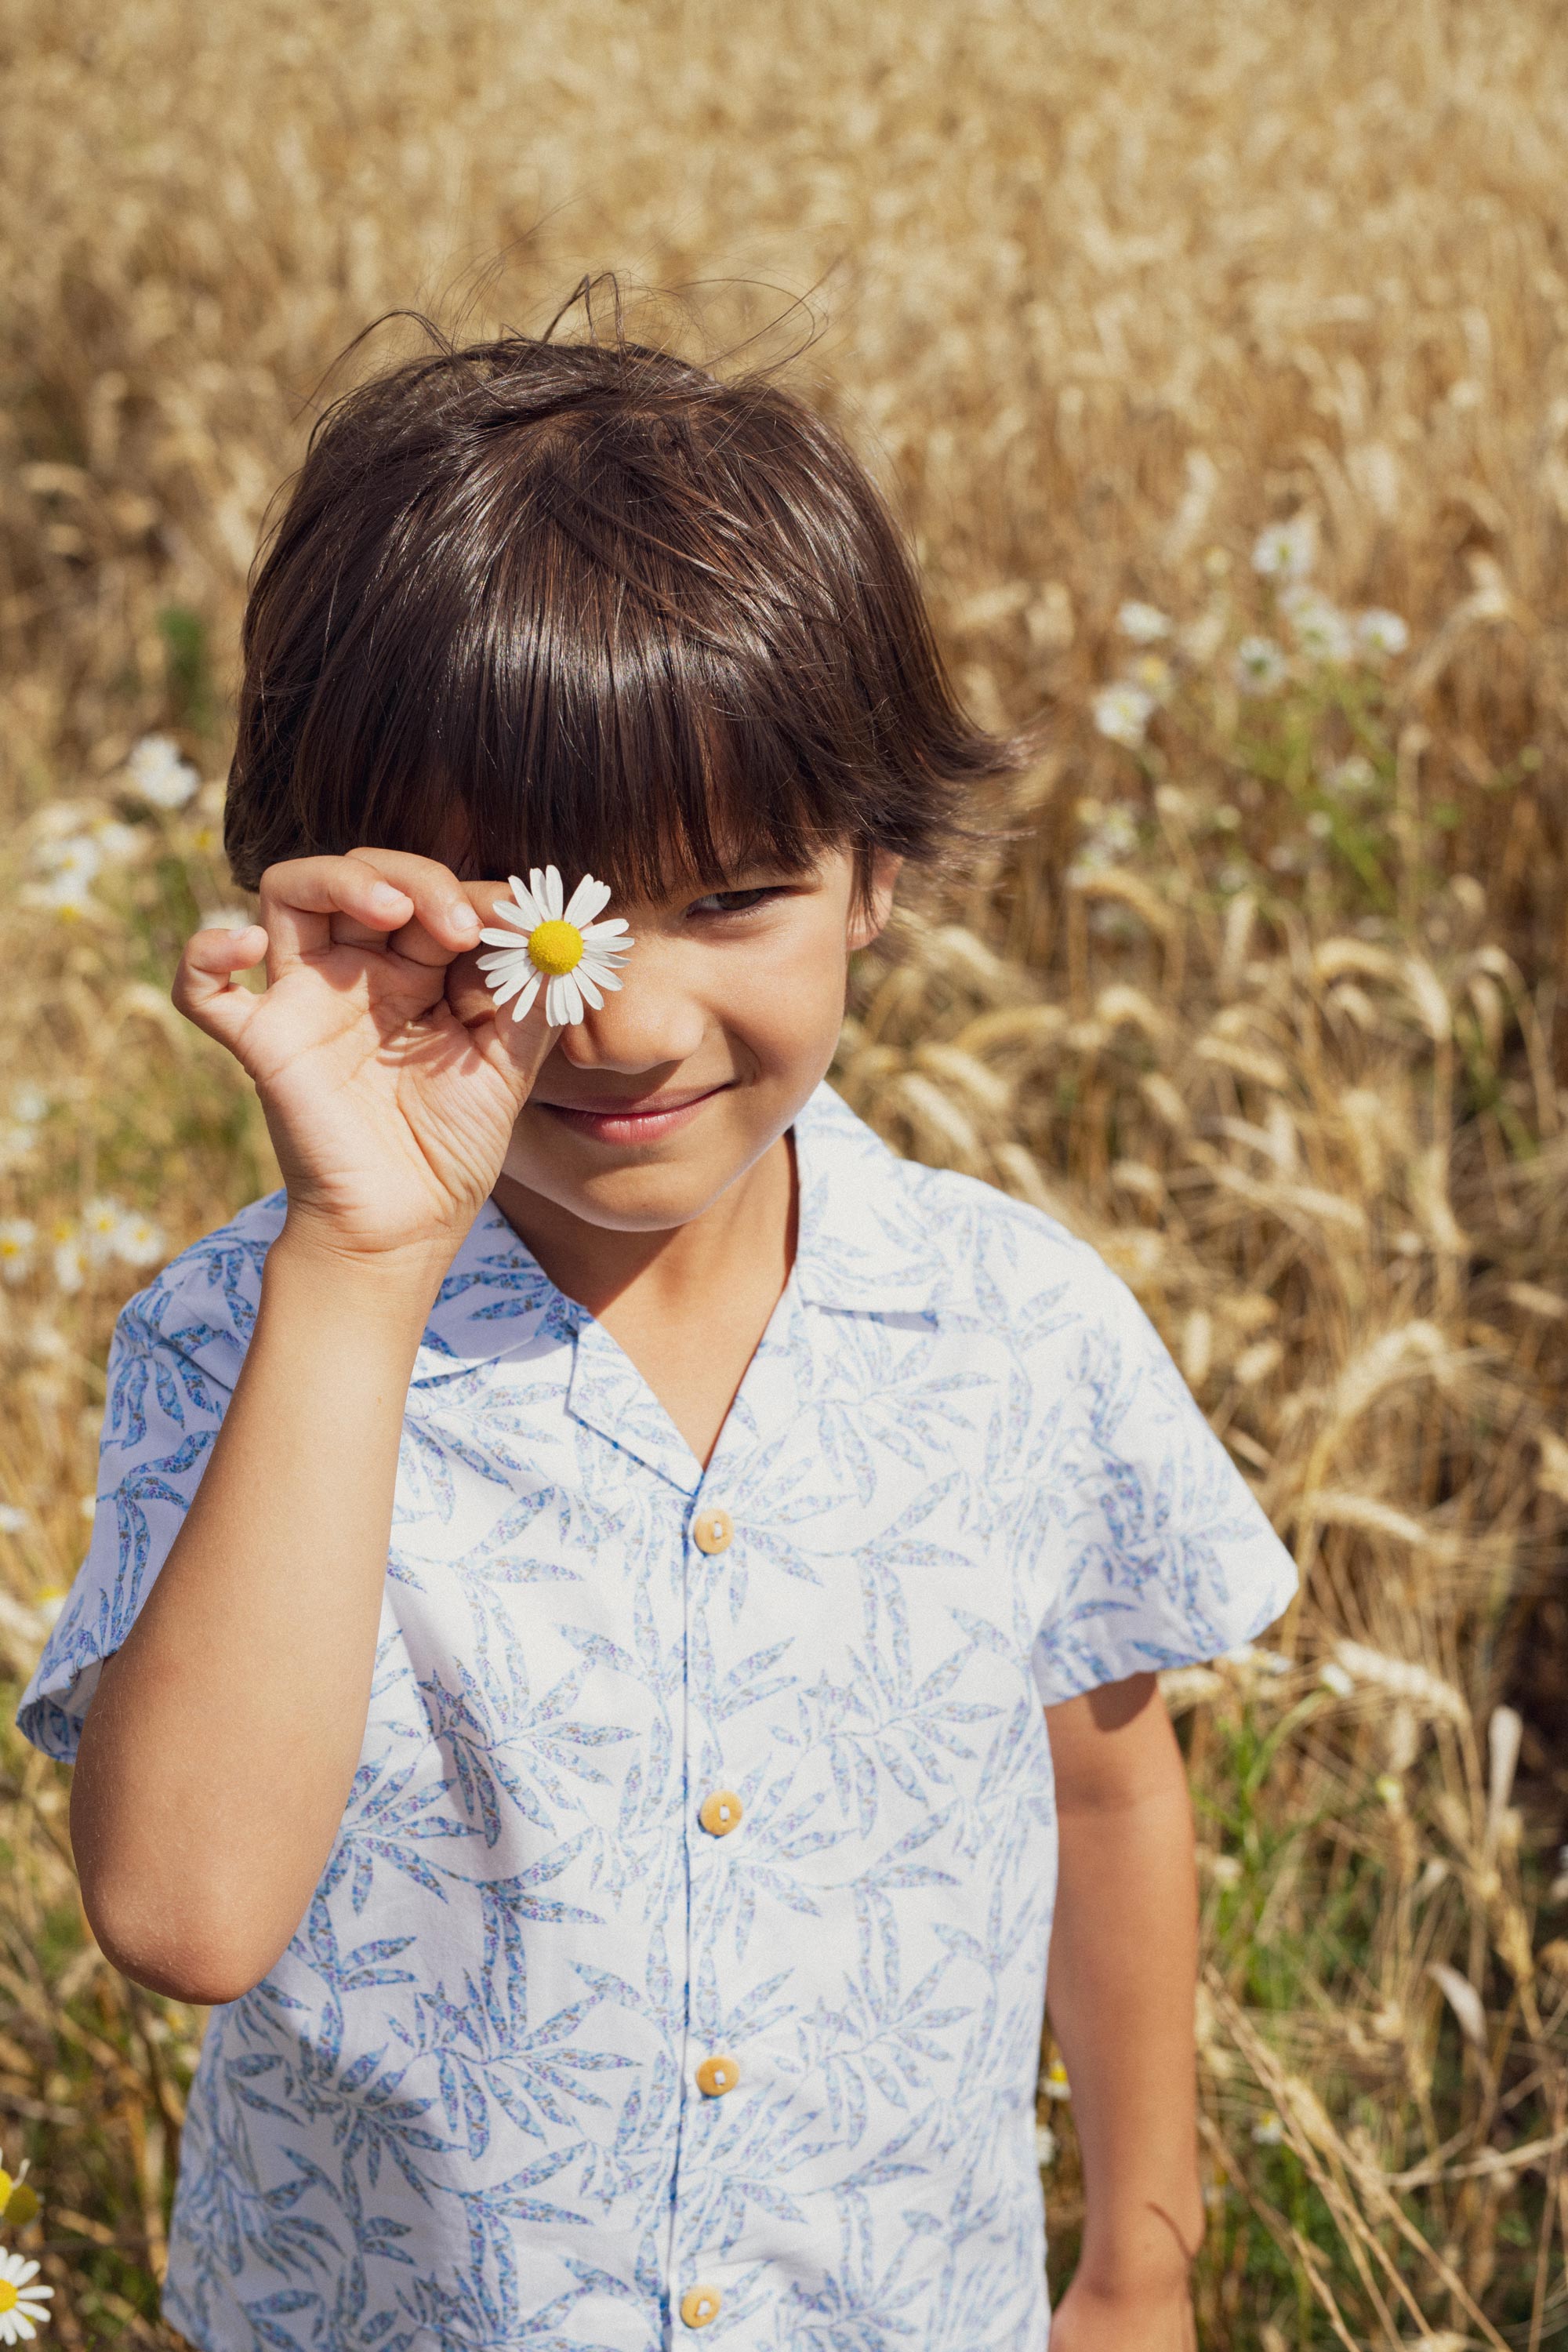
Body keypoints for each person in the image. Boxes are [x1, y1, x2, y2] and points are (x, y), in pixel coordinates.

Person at [18, 317, 1296, 2352]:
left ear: (876, 873)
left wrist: (1143, 2261)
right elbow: (184, 1913)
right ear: (353, 889)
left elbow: (1106, 1797)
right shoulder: (248, 1340)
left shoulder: (1019, 1331)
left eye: (730, 901)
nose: (615, 1013)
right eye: (537, 914)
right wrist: (362, 1260)